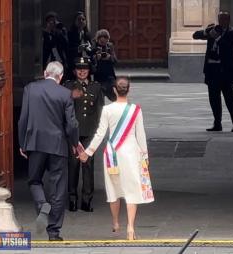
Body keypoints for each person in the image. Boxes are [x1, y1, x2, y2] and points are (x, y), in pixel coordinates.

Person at [79, 77, 154, 240]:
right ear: (129, 89)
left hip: (113, 154)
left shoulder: (107, 109)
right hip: (131, 153)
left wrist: (88, 152)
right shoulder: (136, 110)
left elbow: (100, 134)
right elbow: (141, 135)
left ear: (114, 90)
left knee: (114, 190)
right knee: (132, 190)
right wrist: (145, 157)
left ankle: (115, 223)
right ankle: (130, 228)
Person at [18, 61, 79, 241]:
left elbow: (23, 119)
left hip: (35, 143)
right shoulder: (65, 94)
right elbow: (72, 124)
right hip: (58, 145)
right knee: (58, 187)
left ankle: (42, 204)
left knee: (34, 180)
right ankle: (54, 232)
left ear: (45, 73)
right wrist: (75, 143)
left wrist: (22, 143)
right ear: (60, 77)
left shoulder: (30, 89)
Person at [64, 57, 104, 212]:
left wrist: (98, 131)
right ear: (75, 71)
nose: (82, 71)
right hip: (73, 133)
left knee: (87, 166)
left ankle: (87, 200)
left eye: (85, 68)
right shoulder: (68, 86)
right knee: (73, 166)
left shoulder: (96, 87)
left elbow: (100, 110)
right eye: (79, 68)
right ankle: (72, 199)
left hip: (89, 133)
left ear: (89, 71)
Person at [193, 11, 233, 132]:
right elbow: (195, 35)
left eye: (224, 19)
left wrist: (217, 37)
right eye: (220, 19)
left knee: (229, 98)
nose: (222, 22)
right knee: (214, 99)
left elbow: (228, 48)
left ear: (228, 20)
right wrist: (206, 32)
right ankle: (217, 123)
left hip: (225, 70)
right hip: (212, 70)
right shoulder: (214, 30)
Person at [92, 29, 117, 101]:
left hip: (109, 75)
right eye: (101, 38)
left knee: (114, 96)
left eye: (105, 38)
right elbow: (90, 59)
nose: (103, 40)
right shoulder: (94, 47)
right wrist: (96, 57)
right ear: (98, 39)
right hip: (99, 75)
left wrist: (109, 57)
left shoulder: (110, 46)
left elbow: (115, 60)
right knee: (99, 99)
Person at [67, 11, 92, 79]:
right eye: (79, 19)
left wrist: (89, 48)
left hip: (86, 63)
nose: (81, 21)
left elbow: (91, 49)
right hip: (75, 63)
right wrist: (78, 49)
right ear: (75, 21)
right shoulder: (70, 34)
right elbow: (68, 49)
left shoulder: (87, 34)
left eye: (83, 19)